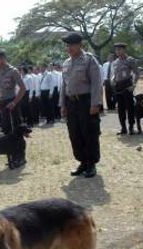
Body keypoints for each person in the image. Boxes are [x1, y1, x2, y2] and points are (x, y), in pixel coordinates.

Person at [60, 32, 103, 178]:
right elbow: (63, 85)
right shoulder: (66, 63)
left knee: (89, 133)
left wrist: (95, 103)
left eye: (72, 44)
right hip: (71, 103)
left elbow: (97, 83)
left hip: (86, 102)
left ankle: (91, 164)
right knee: (75, 134)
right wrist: (63, 105)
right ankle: (82, 162)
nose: (69, 48)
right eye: (67, 45)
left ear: (80, 45)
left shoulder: (89, 60)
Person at [0, 49, 26, 135]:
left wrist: (14, 102)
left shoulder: (13, 71)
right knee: (6, 129)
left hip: (11, 102)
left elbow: (23, 88)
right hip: (2, 103)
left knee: (16, 129)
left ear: (3, 58)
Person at [111, 42, 140, 135]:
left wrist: (134, 84)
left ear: (124, 50)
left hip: (127, 85)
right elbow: (114, 74)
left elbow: (136, 73)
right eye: (116, 50)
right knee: (120, 108)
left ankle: (131, 127)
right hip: (118, 86)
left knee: (129, 107)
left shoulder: (130, 60)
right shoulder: (115, 62)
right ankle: (123, 128)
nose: (117, 51)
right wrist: (112, 79)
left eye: (119, 49)